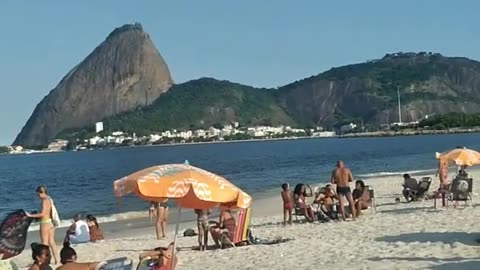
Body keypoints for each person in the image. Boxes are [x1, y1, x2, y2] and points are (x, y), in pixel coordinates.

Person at [27, 186, 59, 265]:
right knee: (52, 242)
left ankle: (45, 260)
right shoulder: (49, 199)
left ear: (41, 192)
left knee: (44, 243)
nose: (38, 196)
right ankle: (56, 260)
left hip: (45, 223)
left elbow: (43, 213)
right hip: (51, 222)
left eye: (38, 194)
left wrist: (30, 215)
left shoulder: (44, 201)